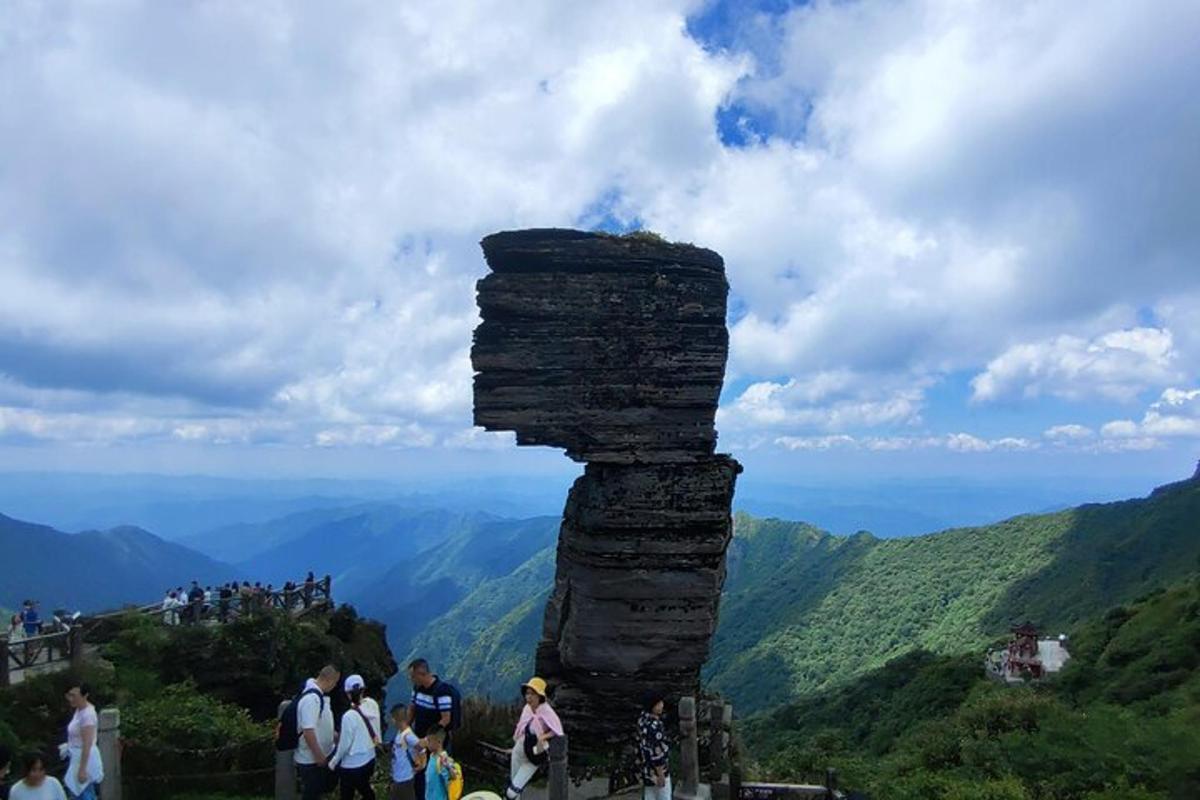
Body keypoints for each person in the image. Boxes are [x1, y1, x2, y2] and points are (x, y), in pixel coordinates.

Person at [505, 677, 562, 800]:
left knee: (512, 792)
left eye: (532, 694)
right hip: (520, 749)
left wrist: (544, 736)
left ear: (539, 696)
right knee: (514, 785)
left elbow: (557, 730)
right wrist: (514, 747)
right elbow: (521, 728)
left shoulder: (547, 711)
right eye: (527, 693)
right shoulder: (527, 709)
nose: (528, 697)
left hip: (534, 753)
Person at [328, 675, 378, 800]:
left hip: (352, 764)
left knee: (347, 794)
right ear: (363, 689)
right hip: (370, 757)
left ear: (347, 693)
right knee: (366, 790)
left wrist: (334, 761)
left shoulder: (349, 716)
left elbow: (345, 744)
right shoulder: (372, 705)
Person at [296, 664, 341, 800]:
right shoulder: (311, 699)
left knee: (320, 791)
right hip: (311, 760)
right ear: (329, 680)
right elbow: (308, 730)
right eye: (335, 682)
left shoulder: (318, 695)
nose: (335, 686)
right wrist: (319, 755)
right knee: (312, 794)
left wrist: (333, 735)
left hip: (322, 754)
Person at [407, 660, 459, 752]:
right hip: (419, 738)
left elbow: (446, 719)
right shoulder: (417, 688)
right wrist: (405, 729)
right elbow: (412, 709)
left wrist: (428, 739)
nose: (411, 679)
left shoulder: (442, 691)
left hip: (436, 743)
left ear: (421, 674)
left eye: (413, 676)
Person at [63, 682, 103, 799]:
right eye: (69, 695)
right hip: (76, 755)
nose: (71, 699)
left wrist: (82, 769)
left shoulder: (88, 715)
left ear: (85, 696)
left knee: (84, 793)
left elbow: (87, 744)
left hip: (84, 759)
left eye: (74, 696)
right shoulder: (79, 711)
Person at [637, 691, 670, 800]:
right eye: (659, 703)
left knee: (650, 795)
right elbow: (657, 753)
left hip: (647, 769)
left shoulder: (642, 720)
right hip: (658, 770)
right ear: (653, 706)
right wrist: (660, 774)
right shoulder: (655, 727)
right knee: (663, 796)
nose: (662, 705)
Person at [388, 704, 424, 800]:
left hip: (405, 777)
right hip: (398, 776)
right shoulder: (400, 732)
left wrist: (422, 764)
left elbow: (421, 748)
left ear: (396, 719)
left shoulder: (408, 736)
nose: (391, 721)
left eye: (392, 718)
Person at [421, 727, 459, 800]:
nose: (427, 743)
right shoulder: (432, 756)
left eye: (429, 741)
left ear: (438, 742)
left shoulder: (443, 759)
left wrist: (448, 766)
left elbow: (453, 777)